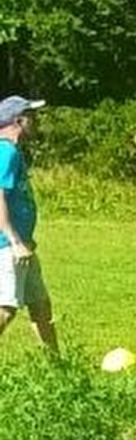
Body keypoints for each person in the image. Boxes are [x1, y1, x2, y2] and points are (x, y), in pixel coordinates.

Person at [0, 95, 58, 355]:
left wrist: (24, 239)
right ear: (18, 121)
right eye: (31, 116)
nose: (36, 121)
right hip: (7, 245)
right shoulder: (6, 152)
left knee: (40, 304)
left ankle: (57, 367)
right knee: (6, 308)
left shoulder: (13, 152)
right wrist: (14, 241)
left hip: (22, 243)